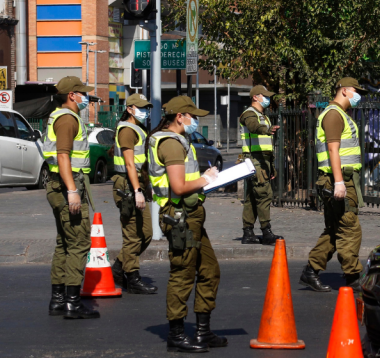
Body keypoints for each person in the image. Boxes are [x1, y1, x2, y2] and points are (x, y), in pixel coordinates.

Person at [146, 96, 228, 353]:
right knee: (182, 275)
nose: (195, 120)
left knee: (209, 270)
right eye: (191, 115)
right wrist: (205, 179)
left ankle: (203, 332)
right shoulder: (170, 144)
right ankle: (177, 334)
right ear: (179, 116)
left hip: (191, 216)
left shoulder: (180, 141)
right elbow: (179, 186)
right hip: (180, 217)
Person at [299, 77, 366, 293]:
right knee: (349, 228)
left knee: (334, 229)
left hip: (339, 179)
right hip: (339, 180)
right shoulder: (334, 115)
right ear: (345, 91)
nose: (358, 95)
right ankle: (353, 276)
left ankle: (311, 271)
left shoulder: (337, 114)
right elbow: (333, 150)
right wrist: (339, 182)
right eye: (356, 91)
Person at [43, 76, 99, 319]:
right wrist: (73, 191)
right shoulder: (67, 119)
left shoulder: (60, 116)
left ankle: (58, 300)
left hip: (59, 186)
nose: (85, 97)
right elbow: (63, 156)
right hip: (68, 186)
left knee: (64, 243)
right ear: (71, 95)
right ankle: (72, 303)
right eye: (81, 93)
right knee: (78, 243)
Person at [109, 93, 157, 294]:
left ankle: (120, 267)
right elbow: (129, 163)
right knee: (132, 235)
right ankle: (133, 277)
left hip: (137, 183)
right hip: (128, 186)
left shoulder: (137, 128)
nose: (145, 112)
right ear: (129, 109)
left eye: (146, 108)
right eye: (141, 108)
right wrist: (137, 190)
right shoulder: (127, 130)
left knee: (146, 233)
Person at [238, 85, 283, 245]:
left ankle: (248, 232)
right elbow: (253, 126)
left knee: (251, 197)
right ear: (255, 97)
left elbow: (266, 146)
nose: (268, 99)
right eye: (265, 96)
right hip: (254, 160)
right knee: (264, 195)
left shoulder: (262, 115)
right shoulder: (249, 114)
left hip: (261, 161)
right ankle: (266, 231)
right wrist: (266, 130)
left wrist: (270, 165)